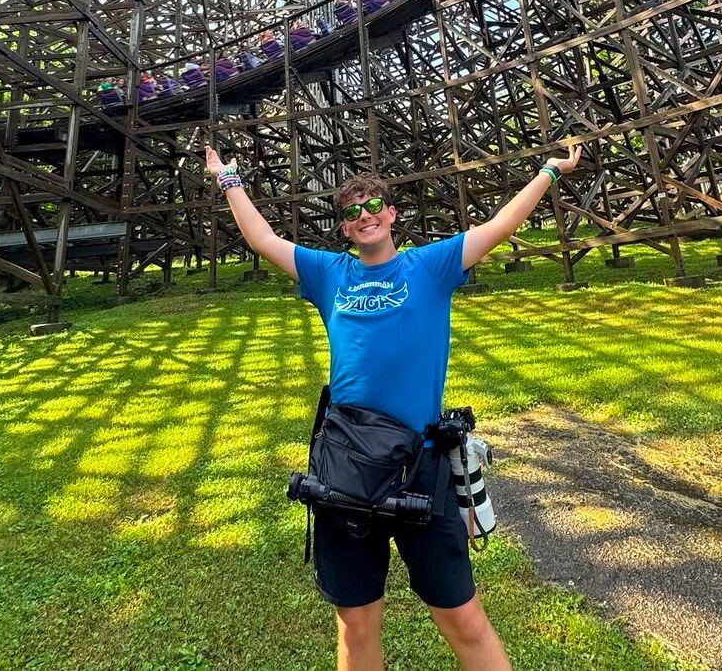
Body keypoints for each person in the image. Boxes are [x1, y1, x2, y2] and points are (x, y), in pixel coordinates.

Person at [203, 142, 582, 671]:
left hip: (421, 462)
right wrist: (228, 178)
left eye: (373, 205)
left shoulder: (431, 265)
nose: (364, 216)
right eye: (351, 211)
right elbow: (262, 238)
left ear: (391, 213)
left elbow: (500, 225)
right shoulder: (329, 273)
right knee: (355, 624)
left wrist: (549, 171)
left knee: (463, 616)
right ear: (343, 228)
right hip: (346, 466)